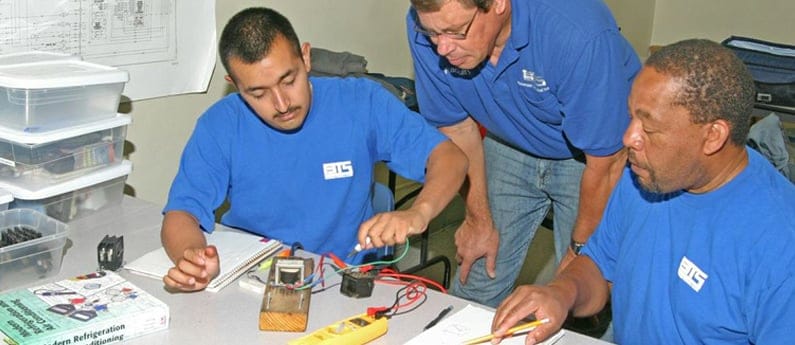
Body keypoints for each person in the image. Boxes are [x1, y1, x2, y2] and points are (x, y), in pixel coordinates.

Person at [491, 39, 795, 344]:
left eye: (648, 129)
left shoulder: (779, 242)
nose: (628, 138)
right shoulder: (646, 174)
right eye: (631, 117)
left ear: (713, 136)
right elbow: (600, 267)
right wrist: (561, 293)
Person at [160, 7, 468, 292]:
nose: (282, 104)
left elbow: (449, 157)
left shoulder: (361, 102)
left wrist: (418, 212)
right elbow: (181, 212)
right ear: (235, 85)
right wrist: (193, 258)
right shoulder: (220, 125)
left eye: (288, 80)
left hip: (344, 281)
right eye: (258, 93)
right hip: (255, 283)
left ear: (305, 58)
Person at [406, 0, 640, 307]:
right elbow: (456, 128)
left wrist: (580, 253)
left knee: (588, 292)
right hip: (508, 141)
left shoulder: (577, 31)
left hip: (591, 157)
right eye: (434, 34)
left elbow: (607, 162)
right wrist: (477, 218)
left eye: (456, 32)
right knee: (476, 275)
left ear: (498, 4)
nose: (442, 48)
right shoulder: (427, 24)